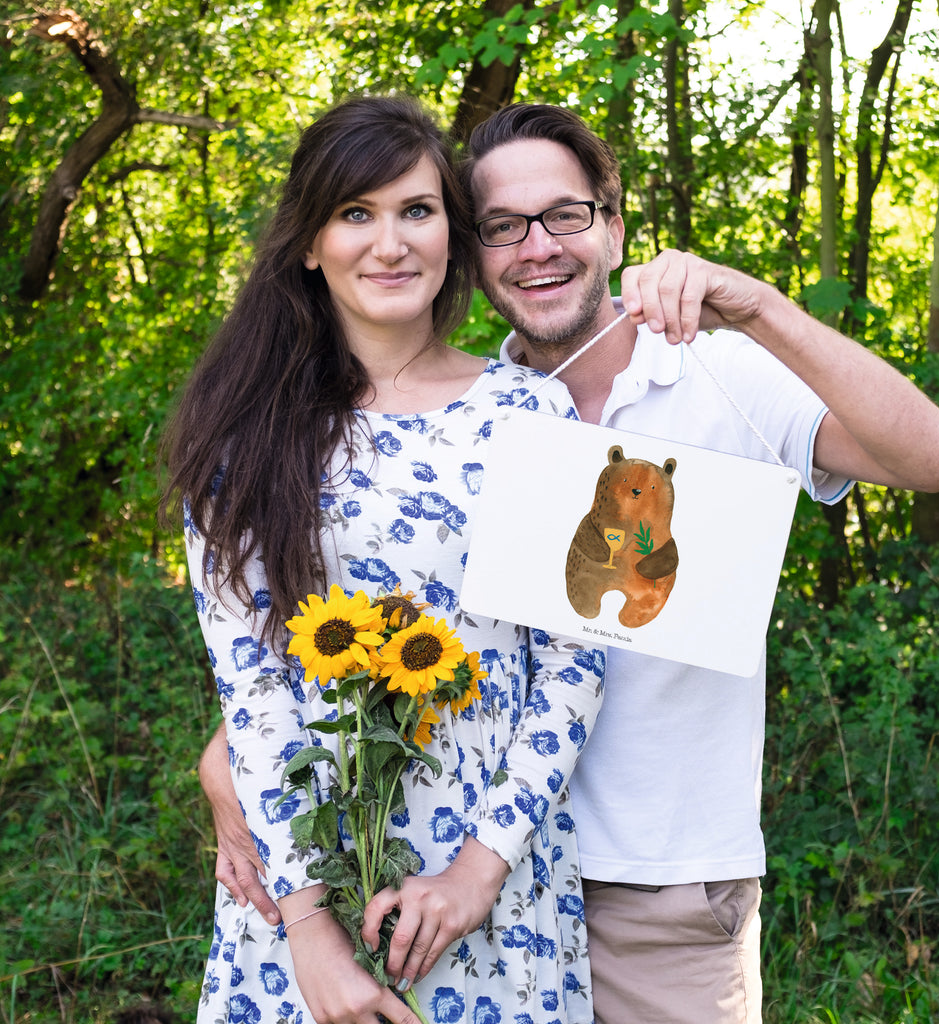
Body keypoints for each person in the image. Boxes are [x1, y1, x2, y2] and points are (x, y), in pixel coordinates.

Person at [202, 102, 939, 1024]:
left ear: (612, 225)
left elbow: (937, 461)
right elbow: (329, 635)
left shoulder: (710, 373)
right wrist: (235, 771)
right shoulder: (454, 417)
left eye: (565, 215)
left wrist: (759, 306)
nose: (537, 247)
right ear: (474, 250)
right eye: (502, 226)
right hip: (419, 875)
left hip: (650, 887)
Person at [163, 96, 607, 1024]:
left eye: (417, 210)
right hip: (301, 887)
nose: (390, 243)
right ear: (309, 244)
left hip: (492, 887)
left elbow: (574, 661)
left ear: (452, 230)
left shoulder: (531, 416)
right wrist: (311, 937)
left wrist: (478, 873)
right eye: (355, 214)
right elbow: (254, 691)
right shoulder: (245, 437)